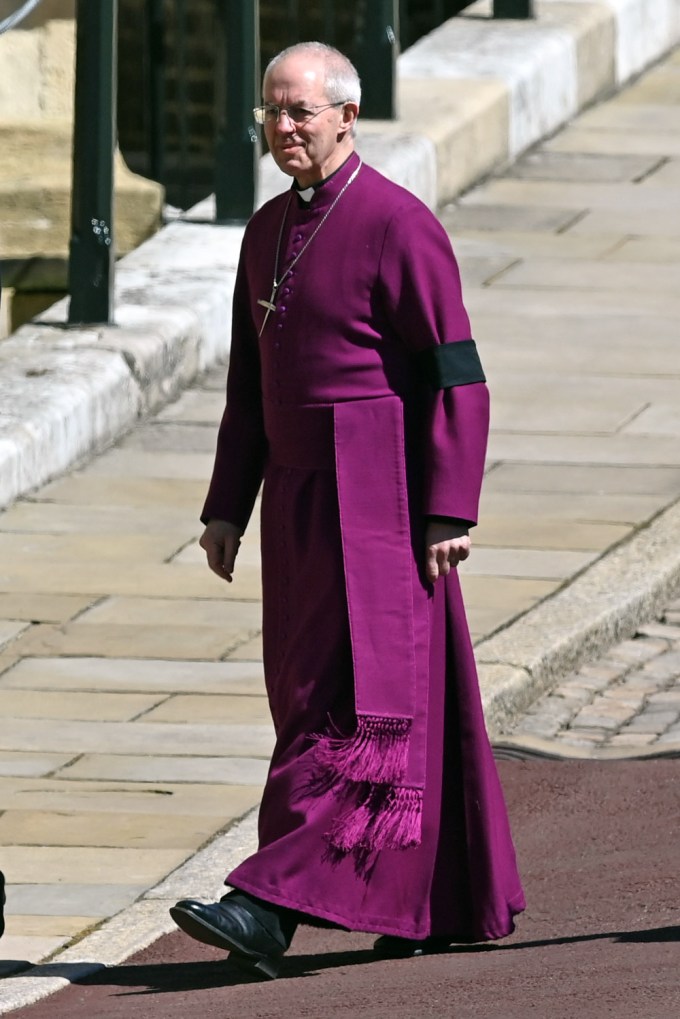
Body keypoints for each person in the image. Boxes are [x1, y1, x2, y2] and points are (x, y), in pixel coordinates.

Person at [171, 41, 524, 980]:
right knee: (311, 695)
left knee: (360, 704)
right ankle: (435, 897)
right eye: (271, 112)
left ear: (346, 116)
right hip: (293, 495)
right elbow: (249, 388)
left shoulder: (399, 225)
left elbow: (459, 375)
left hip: (380, 498)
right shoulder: (265, 230)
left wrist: (449, 508)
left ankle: (266, 906)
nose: (283, 127)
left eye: (300, 112)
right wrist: (224, 509)